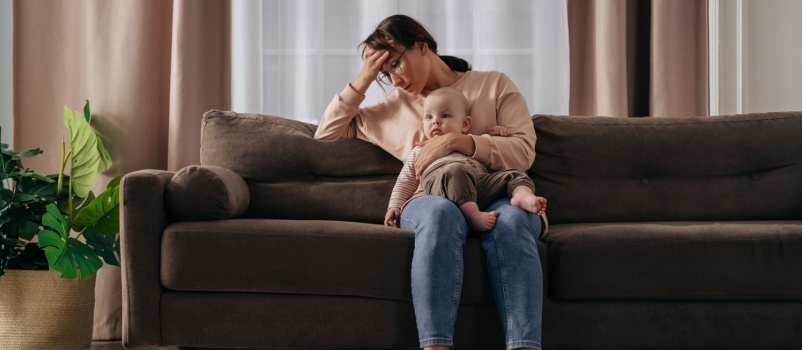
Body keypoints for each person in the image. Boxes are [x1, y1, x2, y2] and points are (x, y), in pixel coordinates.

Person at [316, 14, 546, 350]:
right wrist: (364, 79)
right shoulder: (390, 110)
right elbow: (325, 134)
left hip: (494, 191)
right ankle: (435, 346)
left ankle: (524, 345)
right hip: (431, 197)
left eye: (395, 63)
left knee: (513, 220)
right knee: (440, 214)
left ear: (422, 47)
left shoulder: (493, 84)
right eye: (384, 72)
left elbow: (523, 151)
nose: (393, 79)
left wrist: (457, 142)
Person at [384, 87, 547, 232]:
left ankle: (522, 196)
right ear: (422, 125)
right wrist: (395, 205)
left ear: (465, 124)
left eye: (445, 115)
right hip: (443, 186)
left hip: (476, 184)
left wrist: (498, 134)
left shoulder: (470, 141)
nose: (435, 121)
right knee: (455, 170)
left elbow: (491, 151)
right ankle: (473, 216)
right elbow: (405, 180)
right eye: (429, 117)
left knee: (514, 175)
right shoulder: (420, 149)